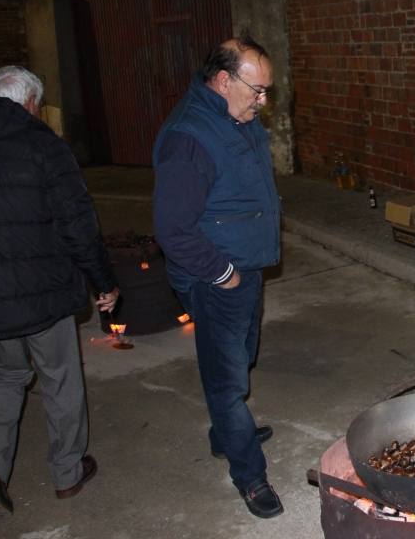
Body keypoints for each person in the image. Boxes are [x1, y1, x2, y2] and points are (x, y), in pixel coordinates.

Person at [0, 66, 120, 518]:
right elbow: (78, 226)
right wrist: (103, 281)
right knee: (59, 378)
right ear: (30, 103)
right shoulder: (44, 147)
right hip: (42, 293)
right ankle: (67, 472)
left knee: (6, 376)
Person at [152, 32, 284, 518]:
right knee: (226, 382)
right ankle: (250, 475)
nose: (263, 101)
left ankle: (225, 431)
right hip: (217, 277)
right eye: (258, 90)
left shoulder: (236, 116)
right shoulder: (190, 137)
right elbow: (172, 228)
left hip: (245, 267)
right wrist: (223, 273)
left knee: (242, 356)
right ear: (224, 81)